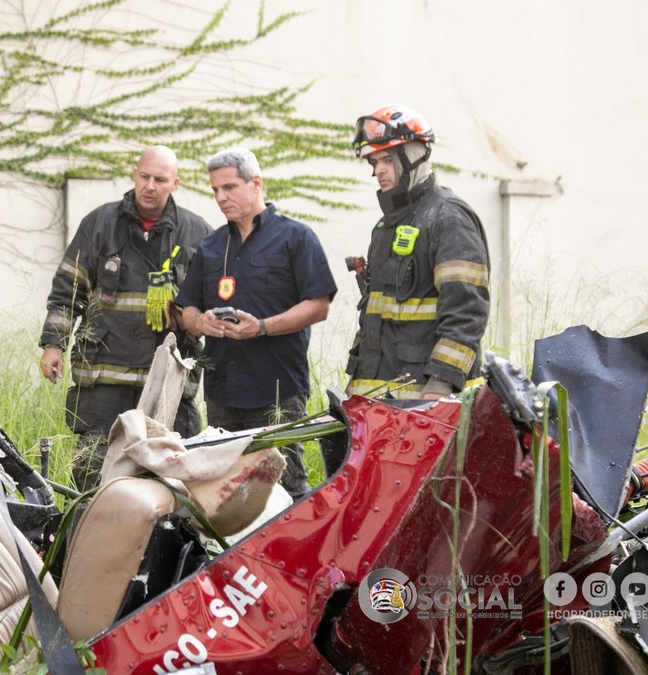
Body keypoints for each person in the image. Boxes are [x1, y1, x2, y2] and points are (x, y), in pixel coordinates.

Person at [39, 146, 212, 490]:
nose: (150, 185)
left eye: (160, 179)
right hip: (104, 382)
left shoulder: (197, 234)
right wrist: (53, 345)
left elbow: (210, 310)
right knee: (92, 479)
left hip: (167, 384)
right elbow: (68, 290)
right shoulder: (99, 224)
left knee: (173, 484)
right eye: (144, 176)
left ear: (174, 183)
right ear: (134, 175)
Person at [175, 147, 336, 498]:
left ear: (256, 184)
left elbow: (319, 305)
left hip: (277, 391)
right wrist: (201, 322)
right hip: (222, 393)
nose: (220, 197)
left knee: (286, 491)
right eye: (215, 189)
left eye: (229, 187)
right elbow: (184, 310)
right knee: (226, 495)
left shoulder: (296, 238)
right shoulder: (211, 247)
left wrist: (260, 327)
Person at [346, 104, 490, 400]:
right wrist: (356, 379)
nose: (378, 171)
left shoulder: (448, 219)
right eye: (373, 162)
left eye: (386, 159)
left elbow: (467, 312)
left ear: (416, 155)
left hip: (430, 403)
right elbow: (375, 316)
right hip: (380, 402)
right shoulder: (385, 227)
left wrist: (442, 381)